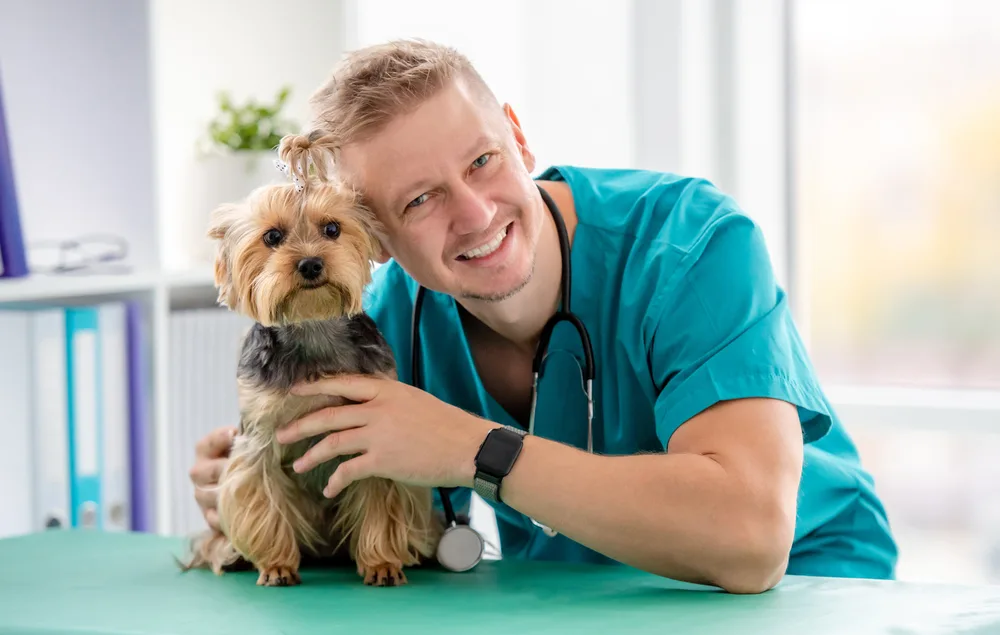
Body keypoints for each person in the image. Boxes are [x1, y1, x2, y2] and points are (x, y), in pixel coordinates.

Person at [189, 38, 897, 594]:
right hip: (583, 595)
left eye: (483, 160)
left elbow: (752, 539)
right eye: (418, 200)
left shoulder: (692, 246)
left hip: (810, 587)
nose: (474, 213)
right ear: (376, 238)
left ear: (520, 138)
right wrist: (264, 487)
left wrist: (473, 446)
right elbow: (351, 499)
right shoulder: (389, 321)